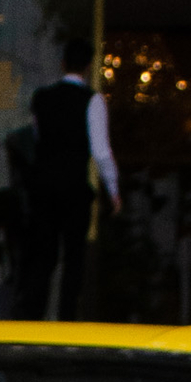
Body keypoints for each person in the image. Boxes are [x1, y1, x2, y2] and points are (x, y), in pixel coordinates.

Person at [17, 45, 120, 318]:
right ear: (87, 67)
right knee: (74, 257)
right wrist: (113, 190)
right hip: (74, 187)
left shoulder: (42, 97)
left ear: (63, 64)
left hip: (43, 187)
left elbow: (37, 137)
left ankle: (32, 318)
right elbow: (100, 151)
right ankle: (66, 318)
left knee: (42, 256)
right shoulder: (92, 100)